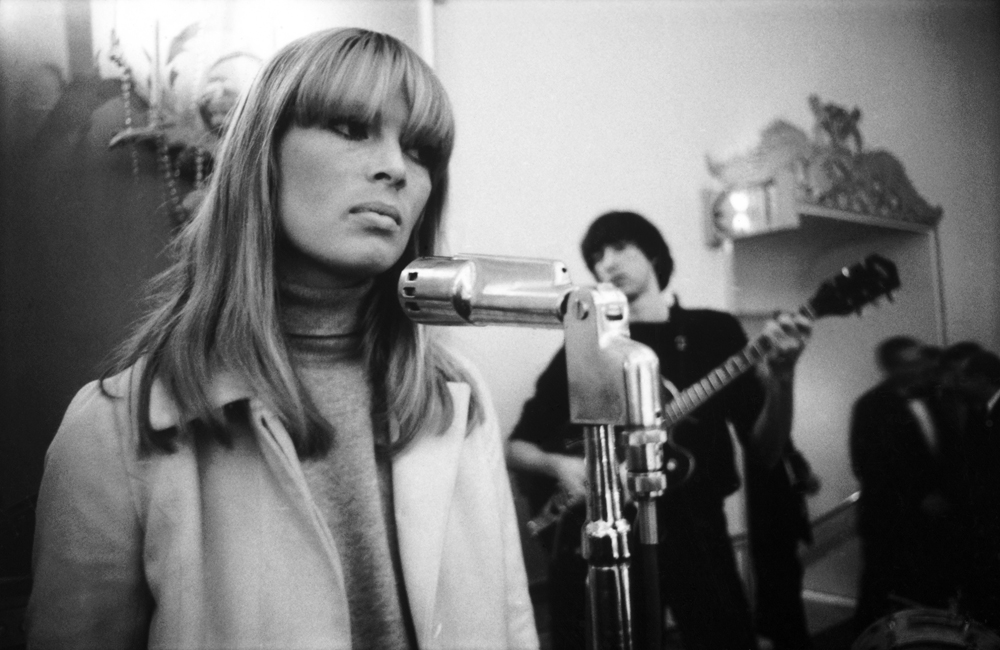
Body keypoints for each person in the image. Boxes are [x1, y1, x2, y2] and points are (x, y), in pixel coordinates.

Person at [26, 28, 537, 650]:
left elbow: (511, 625)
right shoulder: (114, 429)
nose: (396, 168)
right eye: (351, 128)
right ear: (263, 156)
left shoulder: (456, 400)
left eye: (421, 150)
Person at [506, 210, 812, 650]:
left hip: (699, 529)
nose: (607, 263)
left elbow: (765, 449)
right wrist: (564, 467)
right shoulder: (591, 346)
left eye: (619, 247)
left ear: (652, 252)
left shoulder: (715, 331)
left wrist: (782, 378)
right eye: (597, 256)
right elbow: (516, 447)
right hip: (617, 534)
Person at [849, 335, 967, 634]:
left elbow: (948, 450)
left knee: (929, 590)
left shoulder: (932, 396)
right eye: (911, 363)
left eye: (920, 360)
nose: (921, 367)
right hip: (890, 519)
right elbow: (869, 464)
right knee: (880, 591)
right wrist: (919, 498)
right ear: (890, 368)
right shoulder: (870, 406)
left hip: (934, 519)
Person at [744, 441, 819, 650]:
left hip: (780, 533)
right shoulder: (769, 446)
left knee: (785, 591)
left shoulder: (775, 446)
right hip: (778, 533)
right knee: (785, 594)